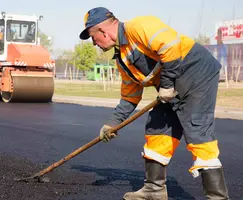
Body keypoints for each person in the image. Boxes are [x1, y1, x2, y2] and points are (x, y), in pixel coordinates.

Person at [79, 7, 229, 199]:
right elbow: (129, 97)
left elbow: (170, 47)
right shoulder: (123, 58)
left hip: (196, 73)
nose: (94, 43)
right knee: (157, 127)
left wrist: (166, 85)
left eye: (93, 37)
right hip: (171, 85)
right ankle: (154, 189)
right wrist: (112, 124)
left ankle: (217, 196)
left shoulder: (139, 26)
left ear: (102, 30)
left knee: (197, 129)